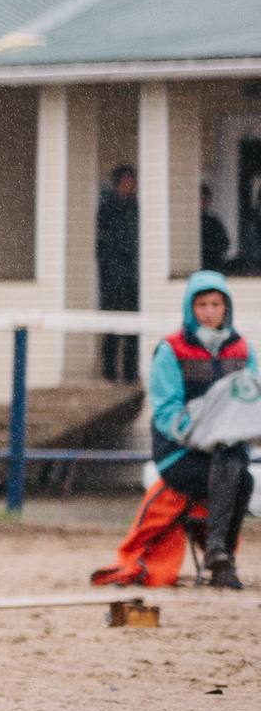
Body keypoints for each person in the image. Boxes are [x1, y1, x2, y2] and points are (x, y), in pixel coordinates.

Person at [97, 271, 251, 589]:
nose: (209, 311)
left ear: (227, 307)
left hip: (226, 451)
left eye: (216, 304)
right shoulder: (171, 349)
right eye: (202, 304)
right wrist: (205, 435)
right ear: (190, 308)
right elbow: (167, 412)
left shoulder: (243, 351)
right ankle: (220, 558)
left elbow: (252, 403)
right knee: (234, 471)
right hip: (179, 453)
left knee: (241, 477)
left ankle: (220, 556)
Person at [97, 164, 139, 382]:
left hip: (133, 278)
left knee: (133, 327)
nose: (130, 186)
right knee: (112, 326)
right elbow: (105, 243)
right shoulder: (107, 209)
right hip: (113, 277)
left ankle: (131, 372)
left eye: (132, 182)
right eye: (125, 182)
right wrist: (110, 271)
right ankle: (109, 374)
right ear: (117, 184)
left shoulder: (137, 209)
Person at [201, 181, 231, 274]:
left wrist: (212, 251)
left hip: (214, 267)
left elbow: (225, 243)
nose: (204, 203)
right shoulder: (191, 223)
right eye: (201, 200)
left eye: (206, 200)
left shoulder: (213, 222)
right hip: (198, 267)